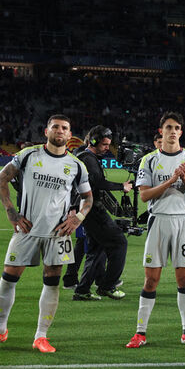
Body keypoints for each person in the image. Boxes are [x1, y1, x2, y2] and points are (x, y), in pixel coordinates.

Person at [0, 114, 93, 353]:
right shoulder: (28, 155)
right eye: (55, 127)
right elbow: (1, 179)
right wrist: (11, 212)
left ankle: (41, 336)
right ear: (46, 131)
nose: (60, 131)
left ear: (70, 135)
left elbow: (88, 198)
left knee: (52, 281)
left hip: (58, 234)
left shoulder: (76, 165)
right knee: (9, 277)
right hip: (26, 229)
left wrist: (77, 218)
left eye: (65, 128)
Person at [125, 112, 185, 348]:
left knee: (184, 278)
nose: (172, 131)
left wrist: (184, 178)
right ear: (161, 131)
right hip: (158, 221)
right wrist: (171, 180)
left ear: (181, 132)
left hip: (183, 221)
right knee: (151, 279)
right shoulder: (149, 160)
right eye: (168, 127)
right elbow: (144, 196)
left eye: (177, 127)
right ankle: (140, 333)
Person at [70, 125, 131, 301]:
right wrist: (122, 187)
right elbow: (97, 182)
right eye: (104, 144)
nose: (107, 148)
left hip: (88, 210)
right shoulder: (88, 158)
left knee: (96, 250)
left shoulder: (86, 156)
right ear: (94, 141)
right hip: (92, 210)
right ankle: (107, 286)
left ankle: (82, 290)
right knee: (119, 242)